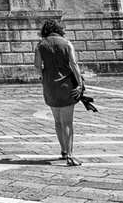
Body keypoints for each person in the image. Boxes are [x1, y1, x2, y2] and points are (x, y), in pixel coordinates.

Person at [34, 20, 87, 165]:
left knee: (57, 120)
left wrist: (44, 76)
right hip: (66, 85)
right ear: (58, 29)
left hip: (50, 85)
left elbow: (37, 65)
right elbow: (73, 64)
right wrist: (80, 84)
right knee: (67, 122)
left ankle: (63, 150)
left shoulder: (40, 46)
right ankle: (70, 155)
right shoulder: (67, 43)